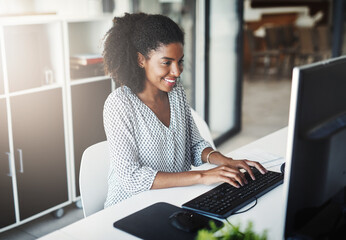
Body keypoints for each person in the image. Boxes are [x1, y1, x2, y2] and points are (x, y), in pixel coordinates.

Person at [102, 12, 267, 208]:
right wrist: (202, 176)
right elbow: (132, 178)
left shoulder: (175, 92)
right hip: (129, 208)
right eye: (166, 62)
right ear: (141, 60)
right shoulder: (119, 105)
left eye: (179, 61)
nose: (177, 71)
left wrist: (225, 161)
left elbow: (195, 146)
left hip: (176, 200)